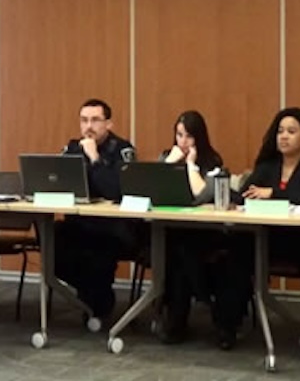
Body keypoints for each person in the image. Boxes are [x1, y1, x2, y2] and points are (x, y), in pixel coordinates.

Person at [239, 107, 300, 358]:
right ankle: (228, 328)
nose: (284, 136)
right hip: (270, 239)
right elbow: (247, 192)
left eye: (291, 132)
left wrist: (273, 194)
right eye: (280, 131)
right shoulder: (268, 165)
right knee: (232, 251)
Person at [157, 110, 251, 350]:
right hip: (171, 231)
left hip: (207, 234)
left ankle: (217, 319)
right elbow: (152, 187)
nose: (183, 142)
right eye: (179, 135)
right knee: (177, 252)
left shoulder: (212, 162)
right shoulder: (167, 158)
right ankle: (178, 320)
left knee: (192, 254)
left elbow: (202, 194)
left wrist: (190, 166)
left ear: (199, 137)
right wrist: (169, 164)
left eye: (189, 136)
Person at [54, 98, 139, 320]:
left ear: (108, 124)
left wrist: (94, 158)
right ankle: (92, 294)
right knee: (52, 237)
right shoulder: (72, 148)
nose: (88, 126)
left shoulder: (122, 150)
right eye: (84, 120)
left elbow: (115, 190)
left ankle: (95, 299)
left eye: (95, 120)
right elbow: (55, 182)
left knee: (96, 249)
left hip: (112, 227)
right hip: (79, 223)